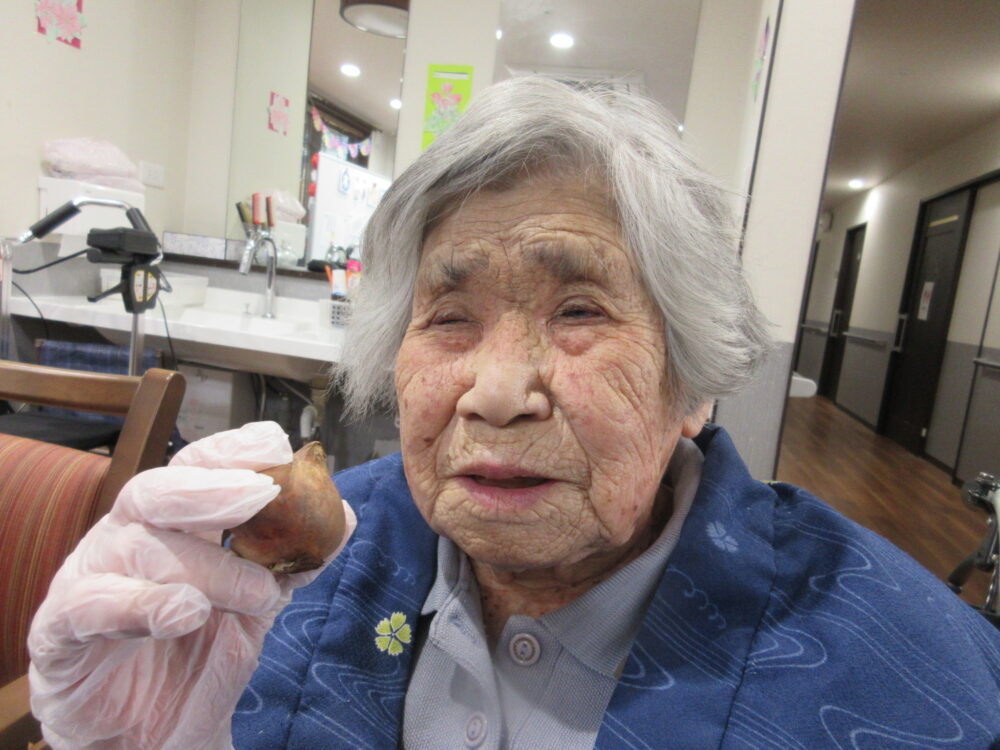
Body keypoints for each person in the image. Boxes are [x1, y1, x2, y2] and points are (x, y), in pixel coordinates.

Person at [27, 77, 1000, 750]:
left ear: (692, 383)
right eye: (447, 317)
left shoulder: (924, 687)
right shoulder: (279, 580)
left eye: (579, 311)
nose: (494, 391)